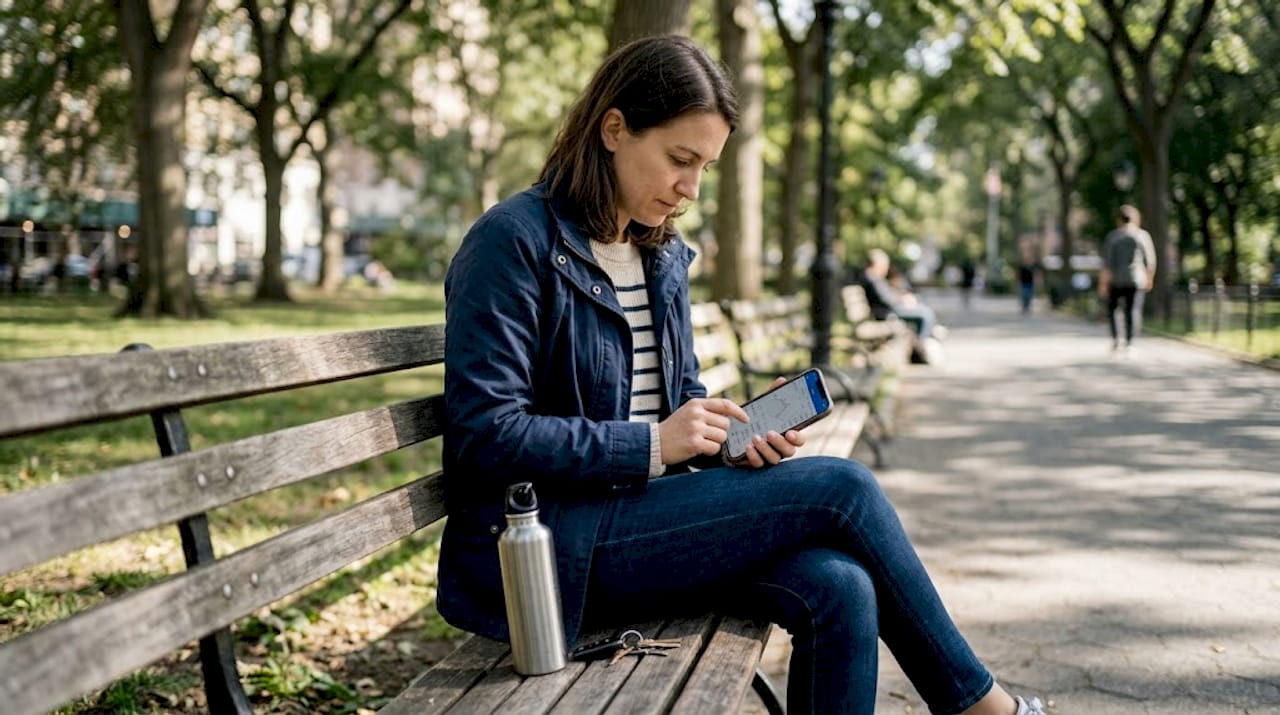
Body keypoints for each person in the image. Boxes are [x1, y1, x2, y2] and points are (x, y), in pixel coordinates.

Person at [436, 35, 1043, 715]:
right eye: (679, 159)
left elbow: (678, 396)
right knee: (842, 486)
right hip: (554, 542)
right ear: (614, 129)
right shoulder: (513, 241)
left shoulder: (659, 252)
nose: (691, 188)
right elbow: (485, 434)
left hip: (642, 520)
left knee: (843, 588)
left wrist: (727, 436)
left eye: (706, 167)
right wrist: (651, 445)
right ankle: (983, 707)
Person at [858, 248, 945, 363]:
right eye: (885, 265)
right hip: (886, 313)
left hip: (888, 310)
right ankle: (920, 349)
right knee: (924, 315)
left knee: (924, 311)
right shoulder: (872, 277)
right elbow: (885, 300)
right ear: (877, 264)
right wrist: (902, 301)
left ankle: (920, 345)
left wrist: (903, 298)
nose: (886, 268)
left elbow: (886, 296)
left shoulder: (874, 277)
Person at [1099, 204, 1156, 355]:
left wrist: (1103, 284)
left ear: (1119, 220)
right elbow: (1150, 261)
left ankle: (1117, 340)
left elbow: (1107, 264)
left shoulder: (1114, 237)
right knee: (1133, 310)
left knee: (1113, 310)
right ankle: (1130, 342)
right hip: (1136, 279)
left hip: (1116, 280)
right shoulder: (1142, 236)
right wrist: (1149, 279)